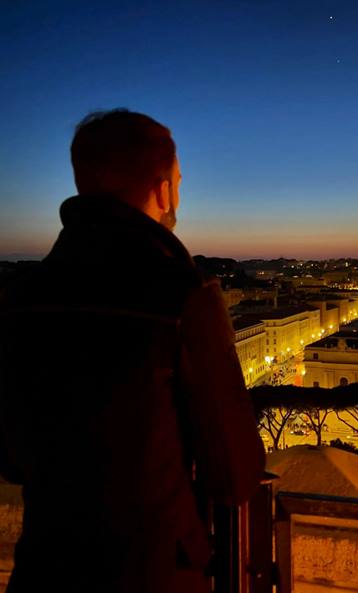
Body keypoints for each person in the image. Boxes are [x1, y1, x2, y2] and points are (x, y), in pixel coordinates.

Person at [0, 109, 265, 593]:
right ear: (163, 189)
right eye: (179, 182)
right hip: (154, 572)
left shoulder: (21, 295)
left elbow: (12, 456)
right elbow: (236, 474)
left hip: (43, 570)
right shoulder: (184, 295)